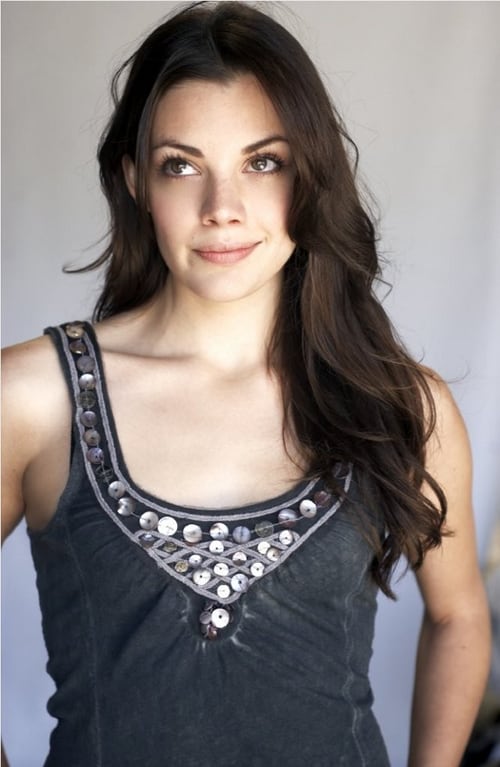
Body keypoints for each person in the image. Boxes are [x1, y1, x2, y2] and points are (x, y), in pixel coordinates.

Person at [1, 2, 491, 765]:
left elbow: (458, 614)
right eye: (181, 165)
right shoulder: (33, 399)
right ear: (135, 180)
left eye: (263, 162)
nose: (222, 209)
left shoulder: (400, 404)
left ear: (310, 176)